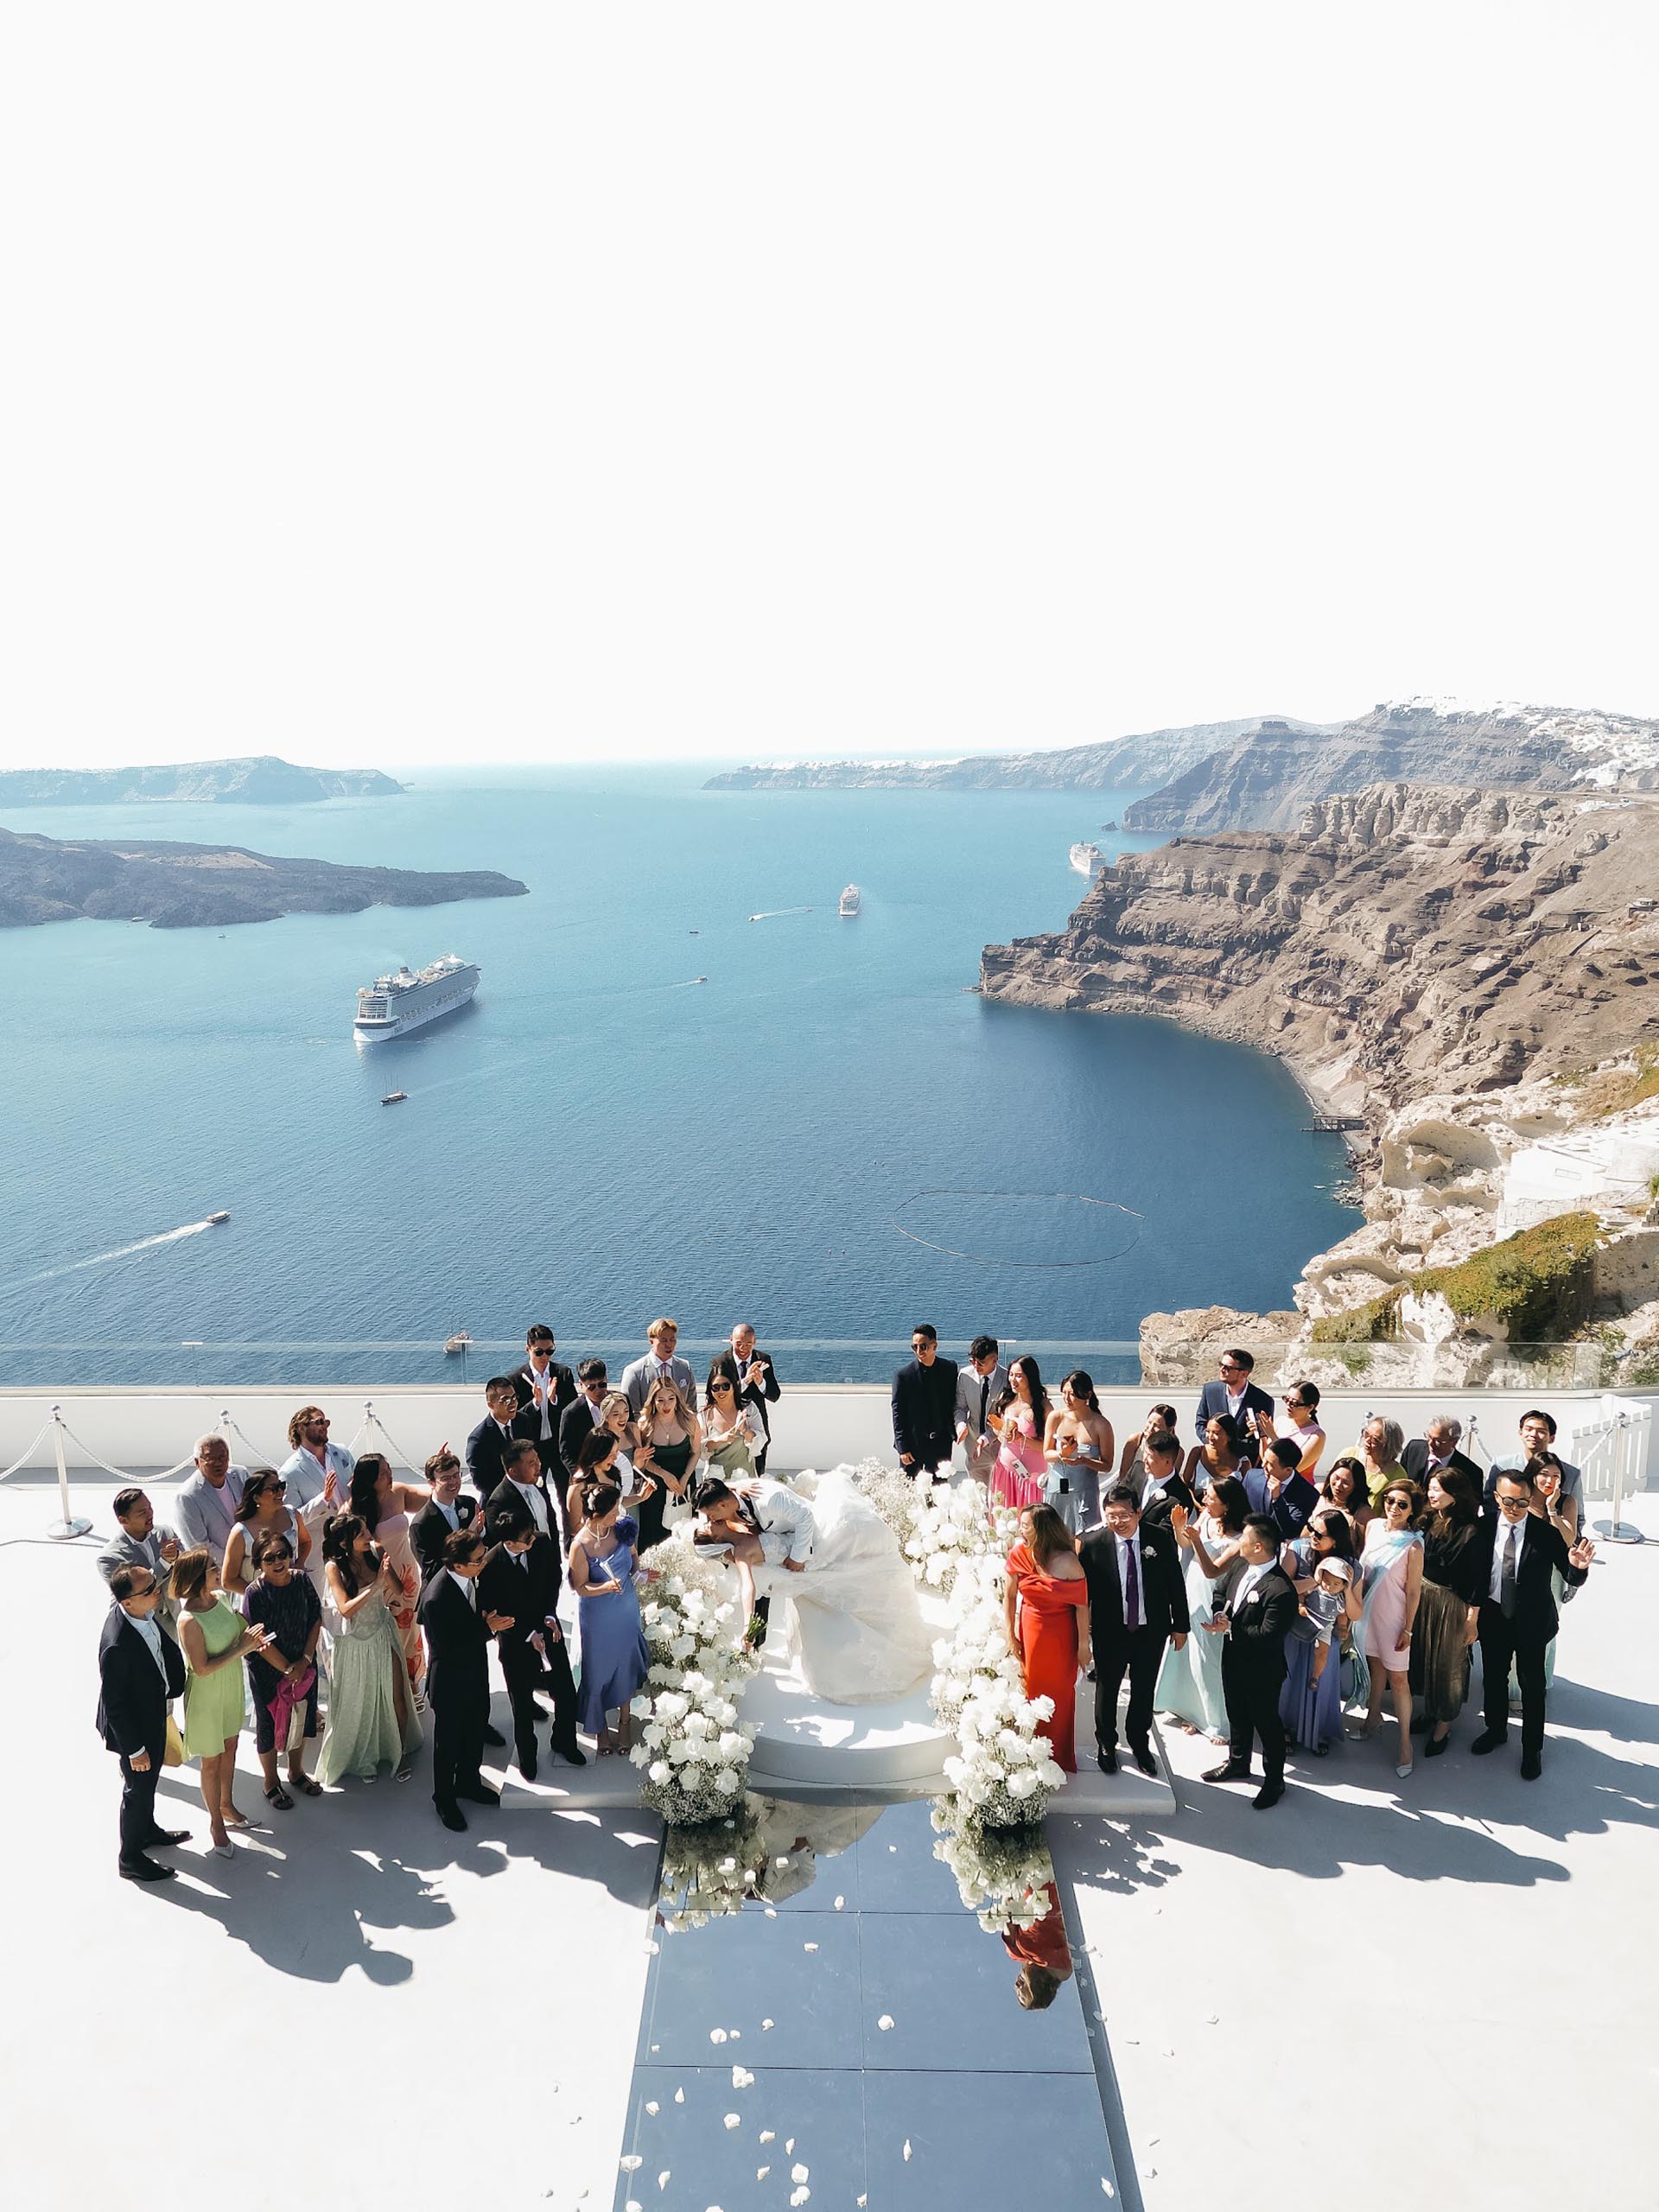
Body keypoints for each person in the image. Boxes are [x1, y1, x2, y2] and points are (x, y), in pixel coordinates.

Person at [694, 1471, 934, 1703]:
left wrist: (798, 1557)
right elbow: (749, 1587)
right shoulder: (739, 1545)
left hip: (813, 1544)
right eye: (707, 1522)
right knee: (834, 1599)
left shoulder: (766, 1499)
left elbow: (804, 1517)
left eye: (710, 1516)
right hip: (801, 1566)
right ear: (717, 1539)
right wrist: (748, 1625)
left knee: (857, 1569)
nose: (709, 1520)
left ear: (723, 1504)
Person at [1471, 1466, 1594, 1779]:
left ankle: (1531, 1749)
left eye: (1523, 1502)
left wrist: (1579, 1567)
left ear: (1530, 1499)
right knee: (1494, 1678)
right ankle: (1496, 1730)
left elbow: (1570, 1573)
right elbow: (1476, 1574)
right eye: (1509, 1501)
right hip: (1494, 1617)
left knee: (1532, 1687)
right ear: (1497, 1497)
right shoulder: (1483, 1528)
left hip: (1532, 1621)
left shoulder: (1545, 1533)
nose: (1515, 1509)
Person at [480, 1440, 584, 1766]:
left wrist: (549, 1616)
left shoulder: (539, 1543)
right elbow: (498, 1605)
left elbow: (550, 1577)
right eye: (530, 1462)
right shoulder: (492, 1564)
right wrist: (529, 1633)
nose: (538, 1467)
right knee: (522, 1702)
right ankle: (527, 1756)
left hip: (544, 1620)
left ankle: (564, 1741)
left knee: (565, 1689)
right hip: (516, 1634)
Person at [173, 1545, 274, 1857]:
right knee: (211, 1761)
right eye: (212, 1568)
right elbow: (201, 1669)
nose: (219, 1571)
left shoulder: (221, 1599)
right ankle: (216, 1824)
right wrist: (242, 1648)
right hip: (207, 1695)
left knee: (231, 1746)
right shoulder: (188, 1620)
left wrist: (254, 1638)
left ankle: (227, 1805)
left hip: (230, 1687)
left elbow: (239, 1632)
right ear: (197, 1577)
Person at [1080, 1484, 1189, 1776]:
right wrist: (1081, 1636)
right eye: (1111, 1515)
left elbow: (1175, 1583)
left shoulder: (1160, 1538)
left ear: (1139, 1513)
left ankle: (1140, 1742)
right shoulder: (1093, 1544)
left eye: (1124, 1515)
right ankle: (1106, 1743)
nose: (1118, 1522)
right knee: (1107, 1688)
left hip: (1150, 1630)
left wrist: (1180, 1625)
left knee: (1143, 1689)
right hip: (1110, 1631)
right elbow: (1083, 1596)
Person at [96, 1563, 190, 1882]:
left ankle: (147, 1831)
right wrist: (135, 1750)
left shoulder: (143, 1613)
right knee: (137, 1790)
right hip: (135, 1728)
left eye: (154, 1582)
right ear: (127, 1601)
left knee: (149, 1783)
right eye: (149, 1589)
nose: (157, 1590)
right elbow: (115, 1705)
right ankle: (130, 1858)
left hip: (153, 1713)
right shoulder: (117, 1644)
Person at [1200, 1515, 1298, 1809]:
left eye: (1244, 1538)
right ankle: (1238, 1762)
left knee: (1266, 1723)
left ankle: (1274, 1781)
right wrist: (1220, 1612)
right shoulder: (1241, 1566)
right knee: (1237, 1714)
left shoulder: (1280, 1590)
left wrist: (1231, 1627)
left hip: (1262, 1669)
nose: (1238, 1541)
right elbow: (1221, 1591)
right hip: (1233, 1659)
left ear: (1258, 1547)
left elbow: (1268, 1635)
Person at [315, 1515, 421, 1787]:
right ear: (344, 1543)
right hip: (353, 1643)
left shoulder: (376, 1552)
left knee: (397, 1697)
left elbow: (399, 1591)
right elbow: (345, 1609)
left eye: (366, 1530)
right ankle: (365, 1757)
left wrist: (387, 1569)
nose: (368, 1536)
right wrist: (376, 1584)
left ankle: (400, 1754)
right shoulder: (334, 1567)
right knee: (360, 1702)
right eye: (361, 1533)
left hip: (383, 1634)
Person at [421, 1527, 508, 1832]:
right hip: (450, 1682)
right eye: (478, 1559)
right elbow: (449, 1646)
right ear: (458, 1565)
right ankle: (444, 1799)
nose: (484, 1562)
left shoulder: (470, 1579)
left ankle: (469, 1782)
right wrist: (488, 1629)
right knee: (448, 1744)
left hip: (474, 1673)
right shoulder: (436, 1598)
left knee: (474, 1730)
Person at [1158, 1472, 1249, 1741]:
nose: (1204, 1500)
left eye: (1211, 1498)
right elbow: (1185, 1542)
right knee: (1188, 1653)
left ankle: (1218, 1723)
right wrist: (1179, 1527)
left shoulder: (1241, 1537)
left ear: (1227, 1505)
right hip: (1192, 1588)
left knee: (1209, 1661)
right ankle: (1192, 1712)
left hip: (1214, 1597)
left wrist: (1197, 1539)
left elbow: (1213, 1570)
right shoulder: (1207, 1517)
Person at [1004, 1503, 1090, 1773]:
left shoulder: (1069, 1562)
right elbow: (1009, 1596)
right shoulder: (1019, 1553)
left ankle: (1058, 1756)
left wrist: (1083, 1645)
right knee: (1031, 1690)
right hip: (1030, 1630)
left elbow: (1081, 1607)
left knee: (1060, 1694)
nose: (1020, 1529)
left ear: (1041, 1529)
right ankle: (1030, 1753)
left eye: (1025, 1525)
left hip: (1061, 1636)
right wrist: (1010, 1634)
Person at [243, 1532, 324, 1808]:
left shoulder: (301, 1580)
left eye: (282, 1554)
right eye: (269, 1558)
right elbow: (259, 1640)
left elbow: (315, 1617)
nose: (278, 1562)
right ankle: (271, 1781)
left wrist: (305, 1660)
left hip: (304, 1663)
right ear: (259, 1563)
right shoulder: (255, 1593)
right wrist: (288, 1669)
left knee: (301, 1717)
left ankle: (296, 1772)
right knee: (268, 1725)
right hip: (268, 1670)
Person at [569, 1479, 651, 1755]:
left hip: (626, 1610)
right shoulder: (580, 1545)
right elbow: (580, 1587)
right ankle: (601, 1726)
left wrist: (641, 1574)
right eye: (614, 1510)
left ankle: (625, 1720)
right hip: (597, 1616)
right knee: (598, 1671)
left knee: (625, 1664)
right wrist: (604, 1587)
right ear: (597, 1514)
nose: (618, 1514)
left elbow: (634, 1561)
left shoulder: (623, 1528)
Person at [1412, 1465, 1485, 1757]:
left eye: (1438, 1489)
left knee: (1448, 1665)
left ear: (1455, 1494)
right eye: (1430, 1487)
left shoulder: (1470, 1531)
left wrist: (1472, 1619)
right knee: (1424, 1659)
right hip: (1423, 1596)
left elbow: (1478, 1581)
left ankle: (1443, 1725)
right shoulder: (1429, 1519)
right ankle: (1430, 1711)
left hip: (1450, 1603)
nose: (1431, 1494)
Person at [345, 1452, 431, 1697]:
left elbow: (433, 1500)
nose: (389, 1474)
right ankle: (385, 1688)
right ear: (370, 1480)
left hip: (407, 1576)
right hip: (375, 1581)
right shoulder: (353, 1508)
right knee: (383, 1633)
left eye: (389, 1469)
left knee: (410, 1629)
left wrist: (438, 1470)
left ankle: (411, 1684)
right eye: (383, 1472)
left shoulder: (399, 1492)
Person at [1355, 1480, 1425, 1777]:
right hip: (1368, 1612)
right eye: (1390, 1500)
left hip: (1395, 1617)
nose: (1394, 1507)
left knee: (1398, 1679)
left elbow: (1413, 1591)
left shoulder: (1413, 1545)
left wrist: (1408, 1629)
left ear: (1412, 1510)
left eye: (1402, 1504)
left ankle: (1405, 1744)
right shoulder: (1372, 1527)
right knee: (1375, 1665)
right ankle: (1372, 1719)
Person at [1279, 1511, 1362, 1754]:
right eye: (1311, 1529)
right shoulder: (1297, 1549)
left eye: (1319, 1534)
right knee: (1288, 1681)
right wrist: (1316, 1581)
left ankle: (1318, 1732)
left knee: (1320, 1683)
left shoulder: (1351, 1566)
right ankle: (1282, 1729)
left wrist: (1346, 1589)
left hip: (1327, 1634)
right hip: (1295, 1630)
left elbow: (1356, 1613)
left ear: (1335, 1540)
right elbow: (1281, 1586)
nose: (1313, 1536)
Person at [513, 1324, 578, 1547]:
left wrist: (553, 1401)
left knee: (567, 1498)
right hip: (533, 1449)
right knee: (539, 1499)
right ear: (528, 1349)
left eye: (550, 1351)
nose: (545, 1357)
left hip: (558, 1446)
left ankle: (570, 1545)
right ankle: (546, 1545)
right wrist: (535, 1403)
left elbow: (573, 1412)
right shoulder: (516, 1379)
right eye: (539, 1352)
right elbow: (515, 1417)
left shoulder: (563, 1374)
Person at [1484, 1410, 1583, 1541]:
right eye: (1529, 1429)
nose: (1533, 1435)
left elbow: (1578, 1518)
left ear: (1552, 1438)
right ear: (1520, 1433)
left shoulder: (1571, 1474)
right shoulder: (1501, 1465)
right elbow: (1489, 1504)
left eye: (1541, 1431)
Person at [97, 1488, 181, 1637]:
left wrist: (179, 1556)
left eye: (150, 1507)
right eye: (142, 1512)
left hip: (173, 1620)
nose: (150, 1514)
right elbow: (134, 1592)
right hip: (140, 1629)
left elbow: (187, 1568)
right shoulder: (109, 1558)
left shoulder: (165, 1533)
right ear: (123, 1520)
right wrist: (165, 1562)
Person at [1042, 1370, 1116, 1534]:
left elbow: (1107, 1465)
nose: (1067, 1399)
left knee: (1084, 1536)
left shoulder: (1101, 1424)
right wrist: (1062, 1454)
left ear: (1087, 1395)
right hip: (1057, 1487)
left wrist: (1083, 1461)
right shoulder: (1056, 1417)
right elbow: (1046, 1453)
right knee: (1054, 1534)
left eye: (1073, 1394)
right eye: (1064, 1393)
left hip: (1084, 1491)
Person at [633, 1380, 701, 1549]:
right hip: (656, 1486)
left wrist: (685, 1478)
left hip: (683, 1483)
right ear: (653, 1401)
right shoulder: (645, 1424)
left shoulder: (690, 1420)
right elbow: (644, 1460)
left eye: (671, 1399)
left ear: (677, 1399)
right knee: (654, 1537)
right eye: (661, 1400)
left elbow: (696, 1452)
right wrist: (663, 1474)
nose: (666, 1405)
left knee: (683, 1533)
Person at [222, 1467, 308, 1598]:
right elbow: (228, 1581)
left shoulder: (292, 1515)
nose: (280, 1492)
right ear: (256, 1498)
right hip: (256, 1601)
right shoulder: (241, 1532)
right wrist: (263, 1595)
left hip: (291, 1594)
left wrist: (300, 1563)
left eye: (281, 1486)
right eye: (273, 1489)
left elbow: (305, 1542)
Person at [891, 1325, 959, 1480]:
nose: (918, 1351)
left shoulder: (950, 1368)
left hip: (941, 1443)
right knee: (909, 1489)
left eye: (923, 1346)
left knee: (941, 1488)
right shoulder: (903, 1375)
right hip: (913, 1445)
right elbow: (898, 1413)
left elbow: (955, 1401)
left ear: (934, 1346)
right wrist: (902, 1448)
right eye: (914, 1347)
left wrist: (954, 1431)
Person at [988, 1355, 1050, 1516]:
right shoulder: (1005, 1399)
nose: (1013, 1380)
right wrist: (1001, 1432)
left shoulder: (1044, 1407)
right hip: (1004, 1470)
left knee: (1028, 1518)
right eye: (1011, 1375)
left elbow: (1049, 1447)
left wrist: (1021, 1439)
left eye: (1018, 1376)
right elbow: (999, 1432)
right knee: (1003, 1518)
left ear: (1030, 1377)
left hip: (1030, 1476)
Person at [170, 1434, 249, 1557]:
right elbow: (199, 1547)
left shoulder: (241, 1475)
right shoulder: (187, 1497)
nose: (218, 1463)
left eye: (222, 1456)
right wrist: (235, 1561)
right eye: (210, 1458)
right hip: (220, 1565)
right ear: (197, 1462)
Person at [410, 1446, 482, 1580]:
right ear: (431, 1483)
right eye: (445, 1478)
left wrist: (480, 1531)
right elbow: (431, 1570)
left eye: (456, 1475)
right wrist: (468, 1537)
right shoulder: (421, 1524)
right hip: (445, 1588)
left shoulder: (469, 1504)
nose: (453, 1482)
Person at [277, 1405, 354, 1522]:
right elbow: (292, 1519)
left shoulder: (342, 1452)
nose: (324, 1427)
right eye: (319, 1422)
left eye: (326, 1422)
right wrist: (324, 1499)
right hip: (322, 1533)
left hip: (354, 1528)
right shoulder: (289, 1472)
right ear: (301, 1428)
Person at [722, 1323, 782, 1473]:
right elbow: (716, 1393)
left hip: (757, 1421)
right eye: (739, 1344)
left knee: (758, 1461)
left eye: (748, 1344)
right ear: (731, 1340)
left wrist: (761, 1383)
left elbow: (775, 1395)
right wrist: (745, 1382)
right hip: (729, 1419)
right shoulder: (721, 1362)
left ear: (755, 1342)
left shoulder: (763, 1359)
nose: (743, 1348)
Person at [1193, 1349, 1274, 1453]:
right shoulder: (1210, 1391)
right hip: (1213, 1456)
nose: (1222, 1370)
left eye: (1228, 1368)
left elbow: (1263, 1436)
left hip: (1244, 1458)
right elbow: (1200, 1423)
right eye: (1221, 1365)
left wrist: (1233, 1447)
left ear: (1244, 1374)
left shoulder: (1263, 1400)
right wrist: (1213, 1442)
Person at [466, 1376, 532, 1500]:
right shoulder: (479, 1439)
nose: (513, 1403)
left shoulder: (524, 1421)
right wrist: (513, 1492)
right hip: (499, 1501)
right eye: (505, 1400)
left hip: (529, 1494)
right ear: (491, 1404)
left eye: (514, 1397)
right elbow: (481, 1482)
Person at [955, 1335, 1008, 1483]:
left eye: (981, 1362)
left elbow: (1005, 1418)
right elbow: (960, 1407)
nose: (976, 1365)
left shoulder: (1007, 1379)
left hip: (999, 1447)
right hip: (973, 1448)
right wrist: (961, 1425)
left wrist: (985, 1438)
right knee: (977, 1493)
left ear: (995, 1360)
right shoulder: (965, 1375)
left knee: (1001, 1494)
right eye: (972, 1361)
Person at [1245, 1436, 1319, 1542]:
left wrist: (1277, 1499)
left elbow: (1291, 1531)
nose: (1263, 1465)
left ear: (1288, 1469)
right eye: (1264, 1460)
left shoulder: (1307, 1494)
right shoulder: (1252, 1477)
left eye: (1270, 1464)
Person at [620, 1318, 698, 1415]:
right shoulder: (634, 1372)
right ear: (651, 1341)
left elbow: (691, 1407)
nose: (669, 1345)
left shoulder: (685, 1367)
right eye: (664, 1340)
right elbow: (631, 1412)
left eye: (672, 1340)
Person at [702, 1365, 766, 1476]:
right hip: (715, 1480)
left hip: (745, 1479)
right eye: (716, 1387)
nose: (721, 1391)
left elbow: (760, 1444)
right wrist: (719, 1440)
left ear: (734, 1386)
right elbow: (699, 1450)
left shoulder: (749, 1409)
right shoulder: (704, 1414)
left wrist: (745, 1430)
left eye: (726, 1386)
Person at [557, 1358, 611, 1490]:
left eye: (602, 1384)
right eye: (591, 1387)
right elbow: (566, 1452)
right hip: (589, 1478)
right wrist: (582, 1477)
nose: (598, 1390)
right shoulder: (571, 1413)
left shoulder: (620, 1402)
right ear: (581, 1385)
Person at [1134, 1430, 1198, 1536]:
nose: (1145, 1460)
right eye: (1145, 1453)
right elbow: (1120, 1495)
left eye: (1150, 1456)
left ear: (1167, 1462)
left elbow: (1165, 1534)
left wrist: (1130, 1525)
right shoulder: (1137, 1469)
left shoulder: (1180, 1499)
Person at [1402, 1414, 1481, 1492]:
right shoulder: (1413, 1450)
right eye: (1429, 1437)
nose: (1431, 1444)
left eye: (1438, 1442)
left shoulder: (1470, 1471)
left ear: (1454, 1442)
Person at [1119, 1402, 1179, 1493]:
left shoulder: (1175, 1451)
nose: (1150, 1428)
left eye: (1157, 1426)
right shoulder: (1135, 1441)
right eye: (1149, 1422)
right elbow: (1124, 1475)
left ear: (1170, 1429)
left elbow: (1171, 1480)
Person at [1183, 1411, 1247, 1498]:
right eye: (1208, 1431)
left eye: (1216, 1433)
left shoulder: (1243, 1462)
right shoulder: (1197, 1453)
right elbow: (1185, 1485)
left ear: (1229, 1436)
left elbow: (1245, 1494)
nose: (1210, 1437)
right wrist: (1196, 1504)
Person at [1318, 1455, 1374, 1542]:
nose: (1338, 1485)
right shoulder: (1318, 1493)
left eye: (1346, 1483)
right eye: (1336, 1478)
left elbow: (1367, 1545)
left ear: (1356, 1485)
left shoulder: (1363, 1513)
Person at [1357, 1416, 1408, 1509]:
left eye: (1374, 1439)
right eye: (1366, 1434)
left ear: (1388, 1445)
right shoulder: (1349, 1454)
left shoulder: (1397, 1475)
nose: (1367, 1441)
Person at [1278, 1382, 1326, 1479]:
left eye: (1294, 1403)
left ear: (1310, 1407)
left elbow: (1293, 1469)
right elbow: (1265, 1459)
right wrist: (1262, 1435)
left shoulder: (1317, 1436)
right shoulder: (1280, 1421)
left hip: (1298, 1485)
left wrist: (1272, 1436)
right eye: (1287, 1399)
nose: (1288, 1405)